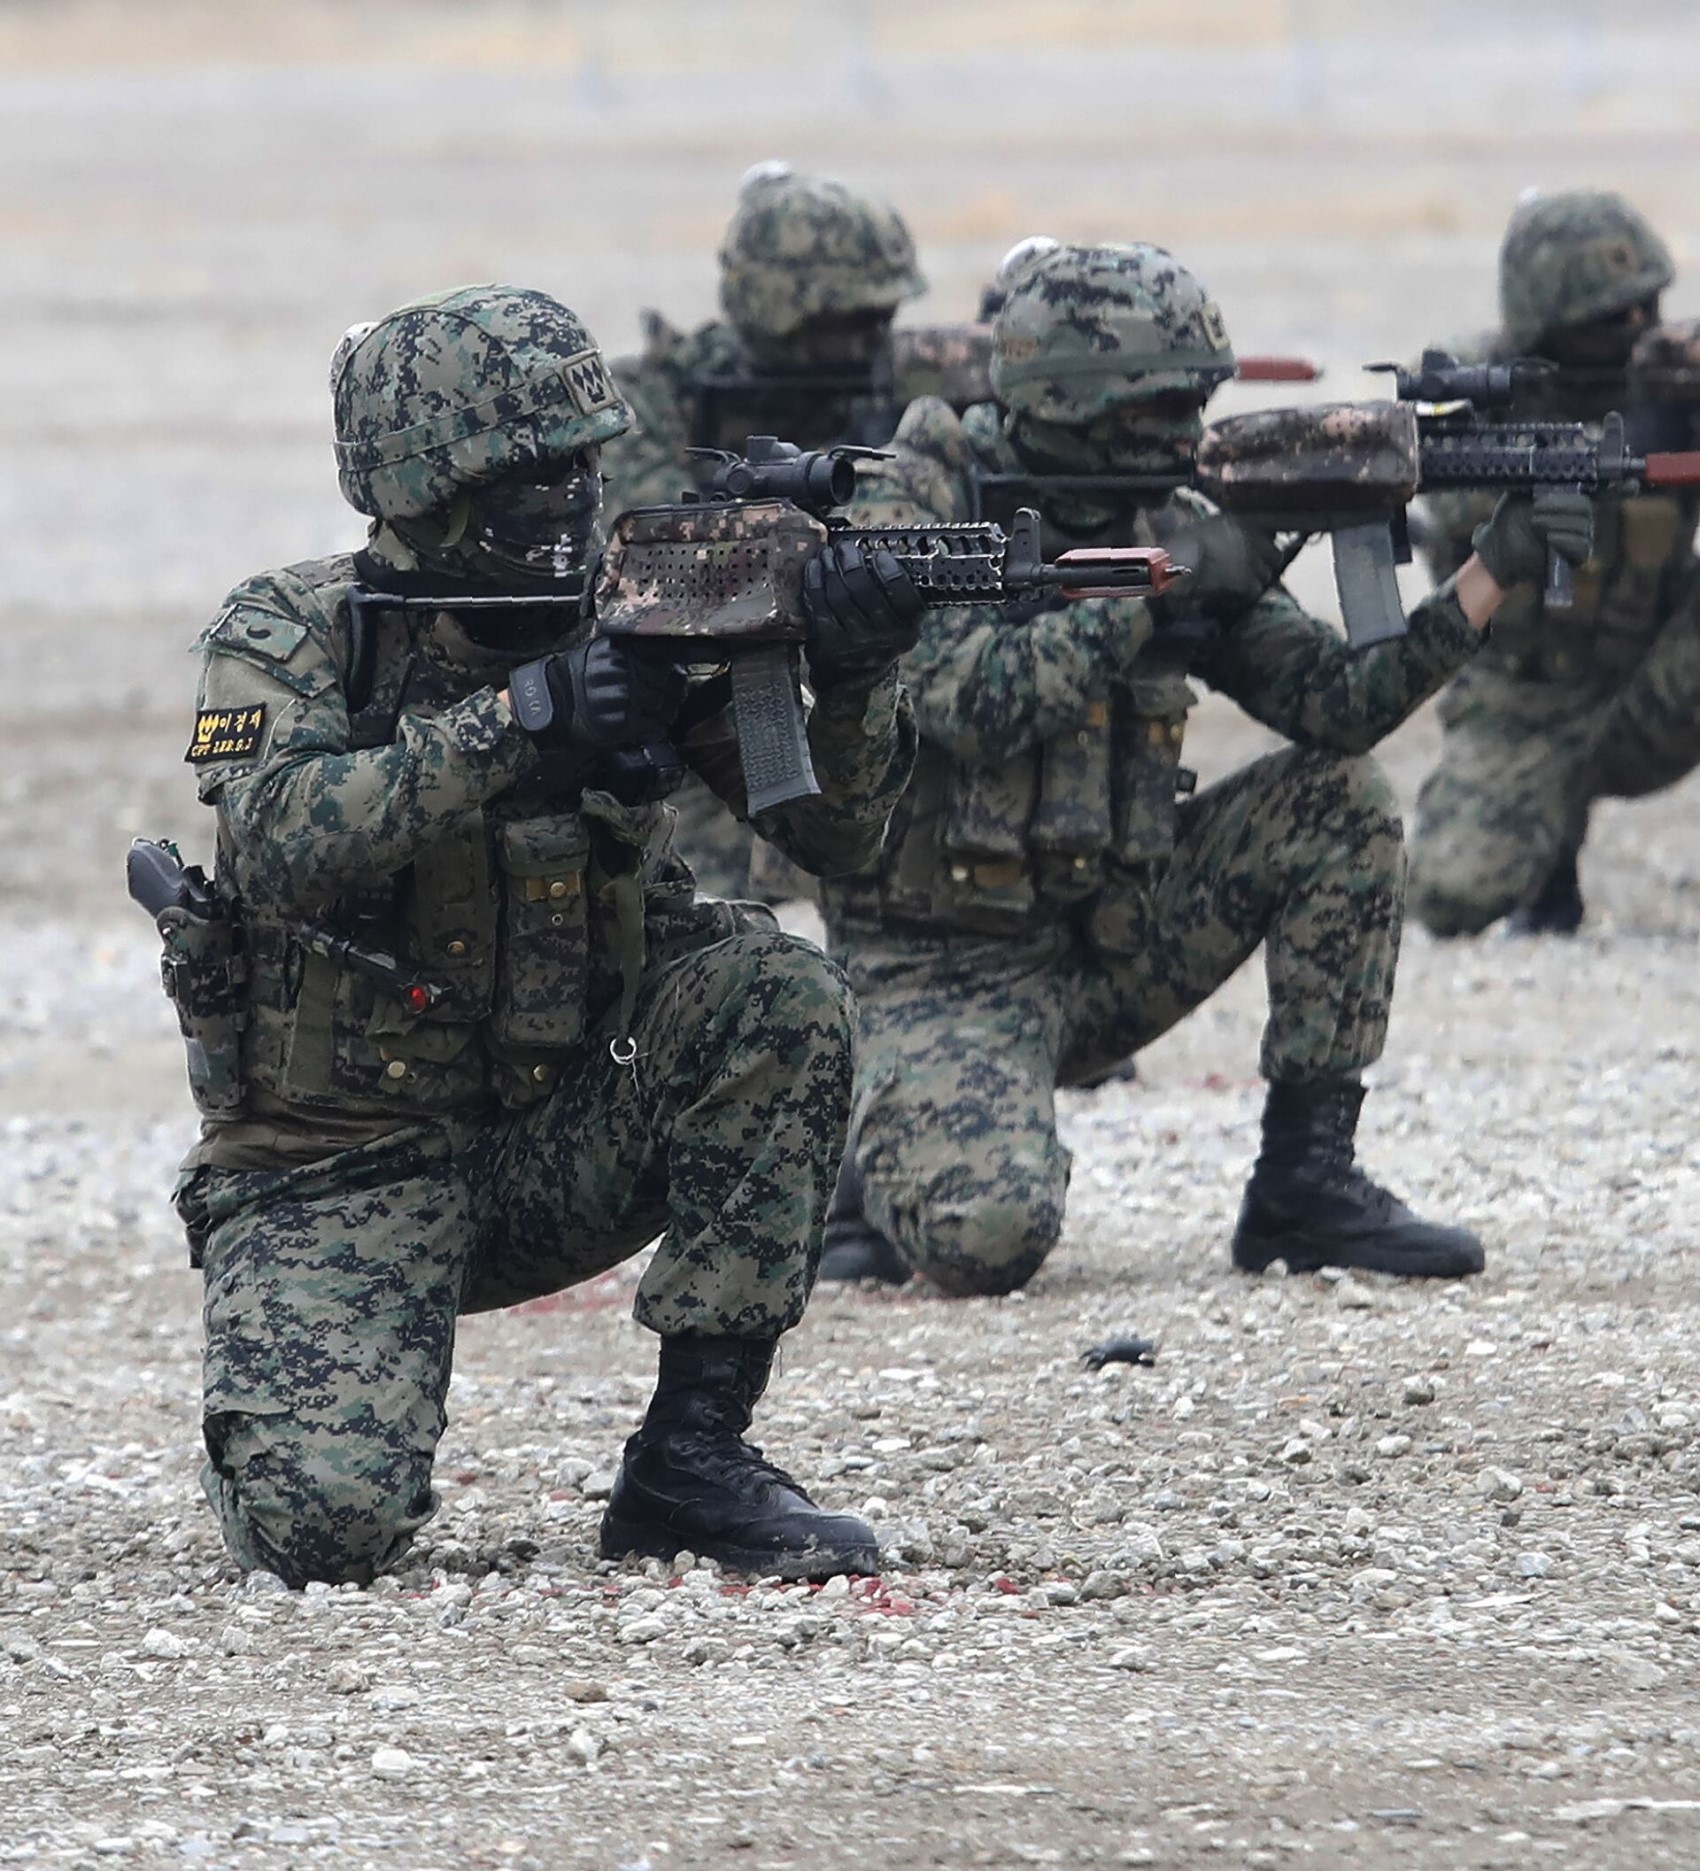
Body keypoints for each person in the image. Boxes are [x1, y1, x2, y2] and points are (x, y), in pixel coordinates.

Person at [166, 284, 923, 1587]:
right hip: (335, 1164)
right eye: (537, 474)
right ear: (429, 487)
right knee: (324, 1529)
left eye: (584, 463)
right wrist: (520, 722)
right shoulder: (287, 632)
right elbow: (286, 836)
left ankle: (692, 1457)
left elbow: (846, 845)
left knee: (776, 993)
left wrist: (853, 674)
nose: (575, 498)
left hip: (556, 1133)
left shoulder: (637, 616)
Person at [815, 241, 1593, 1296]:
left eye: (1195, 407)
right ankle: (875, 1137)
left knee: (1334, 802)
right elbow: (962, 701)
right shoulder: (910, 503)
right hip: (939, 968)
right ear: (1071, 406)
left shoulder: (1161, 514)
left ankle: (1302, 1183)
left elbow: (1335, 704)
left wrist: (1486, 572)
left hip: (1109, 937)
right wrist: (1155, 593)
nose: (1189, 440)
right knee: (981, 1241)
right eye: (1159, 414)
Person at [601, 162, 927, 903]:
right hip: (693, 747)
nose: (865, 348)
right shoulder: (653, 403)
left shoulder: (908, 389)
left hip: (842, 757)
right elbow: (658, 565)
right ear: (775, 311)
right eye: (840, 324)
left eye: (879, 321)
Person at [1408, 188, 1700, 937]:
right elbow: (1458, 517)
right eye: (1612, 318)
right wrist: (1627, 442)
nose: (1638, 329)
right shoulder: (1476, 392)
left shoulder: (1680, 382)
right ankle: (1547, 844)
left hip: (1658, 676)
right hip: (1521, 697)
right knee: (1451, 895)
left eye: (1647, 306)